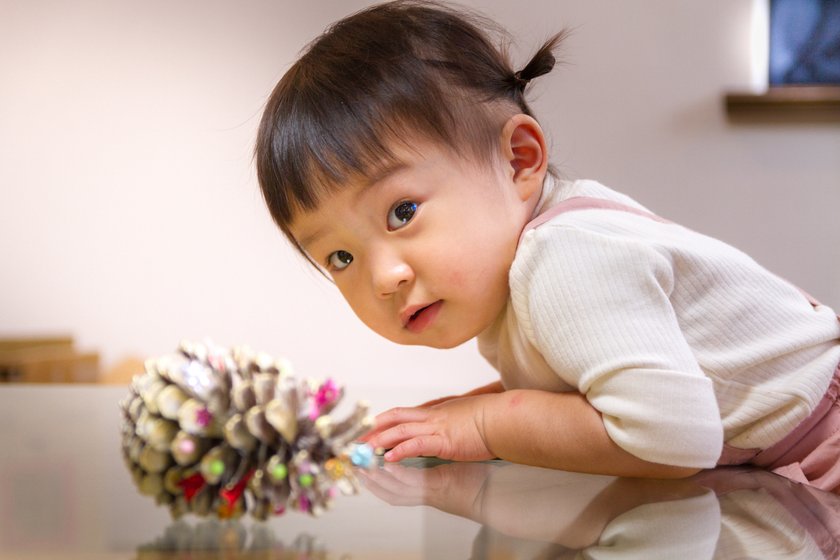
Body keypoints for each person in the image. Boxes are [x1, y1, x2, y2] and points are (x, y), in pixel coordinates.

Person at [255, 1, 840, 488]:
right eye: (341, 257)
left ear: (519, 161)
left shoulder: (564, 257)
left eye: (402, 212)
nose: (383, 277)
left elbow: (672, 436)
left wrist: (484, 426)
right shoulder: (514, 275)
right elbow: (582, 393)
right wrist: (470, 411)